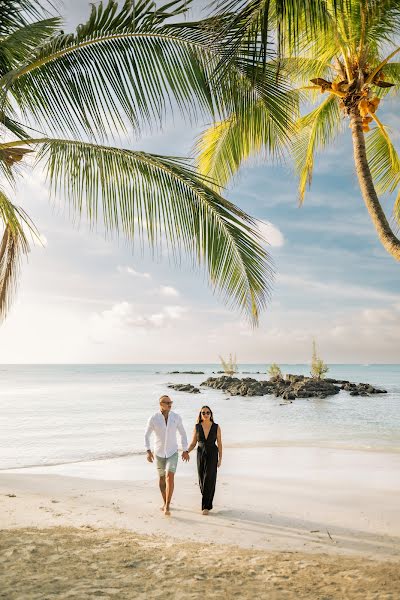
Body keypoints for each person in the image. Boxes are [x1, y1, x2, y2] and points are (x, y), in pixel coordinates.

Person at [144, 394, 189, 516]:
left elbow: (183, 434)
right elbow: (146, 435)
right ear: (161, 405)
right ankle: (164, 502)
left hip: (172, 452)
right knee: (162, 478)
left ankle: (168, 505)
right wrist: (148, 451)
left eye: (171, 402)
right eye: (167, 402)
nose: (170, 404)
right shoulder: (153, 418)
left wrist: (185, 450)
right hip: (158, 453)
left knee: (170, 476)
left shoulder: (176, 417)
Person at [187, 405, 222, 515]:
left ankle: (206, 506)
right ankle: (207, 501)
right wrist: (186, 451)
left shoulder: (216, 427)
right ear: (200, 415)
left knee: (209, 479)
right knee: (202, 479)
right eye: (203, 413)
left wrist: (220, 458)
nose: (206, 414)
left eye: (208, 412)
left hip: (212, 453)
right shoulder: (197, 427)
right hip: (200, 454)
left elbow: (220, 444)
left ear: (211, 414)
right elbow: (193, 443)